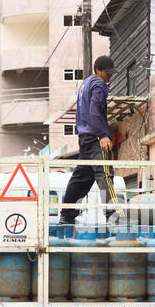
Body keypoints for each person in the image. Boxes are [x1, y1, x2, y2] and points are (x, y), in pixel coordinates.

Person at [59, 55, 124, 225]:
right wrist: (103, 134)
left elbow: (82, 112)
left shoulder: (85, 84)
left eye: (111, 73)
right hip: (95, 136)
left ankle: (67, 214)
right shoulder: (98, 84)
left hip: (84, 136)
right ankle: (112, 215)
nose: (110, 76)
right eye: (107, 73)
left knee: (82, 176)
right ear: (98, 71)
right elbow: (95, 111)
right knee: (105, 174)